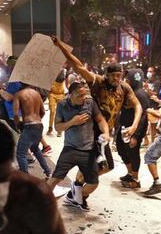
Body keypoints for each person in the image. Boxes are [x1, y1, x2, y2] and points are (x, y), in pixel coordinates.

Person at [51, 36, 142, 196]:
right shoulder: (98, 82)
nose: (117, 78)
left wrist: (134, 126)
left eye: (119, 75)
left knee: (102, 166)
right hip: (93, 132)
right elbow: (78, 66)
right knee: (102, 166)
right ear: (107, 74)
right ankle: (77, 192)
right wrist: (60, 46)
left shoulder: (124, 87)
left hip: (105, 132)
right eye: (114, 75)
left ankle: (77, 187)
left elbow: (138, 105)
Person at [48, 82, 110, 211]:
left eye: (85, 94)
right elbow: (58, 127)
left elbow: (101, 120)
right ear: (70, 95)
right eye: (79, 96)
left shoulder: (89, 103)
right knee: (55, 179)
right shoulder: (62, 105)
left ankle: (76, 197)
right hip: (70, 149)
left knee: (93, 184)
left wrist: (106, 133)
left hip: (89, 150)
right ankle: (41, 202)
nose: (83, 98)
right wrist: (72, 122)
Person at [117, 69, 149, 189]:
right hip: (125, 127)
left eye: (128, 79)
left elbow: (143, 118)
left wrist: (136, 136)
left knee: (133, 153)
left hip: (134, 130)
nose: (126, 81)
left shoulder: (140, 94)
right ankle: (130, 173)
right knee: (121, 149)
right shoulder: (131, 92)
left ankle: (135, 180)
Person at [13, 84, 52, 178]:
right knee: (35, 149)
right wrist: (37, 121)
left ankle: (25, 177)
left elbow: (15, 114)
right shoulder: (37, 94)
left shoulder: (18, 94)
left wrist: (18, 125)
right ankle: (48, 172)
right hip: (39, 125)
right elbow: (42, 112)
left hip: (28, 125)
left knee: (20, 153)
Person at [48, 69, 67, 137]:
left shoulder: (64, 71)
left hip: (61, 94)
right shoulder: (52, 71)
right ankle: (50, 127)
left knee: (60, 112)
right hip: (52, 94)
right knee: (52, 111)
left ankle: (59, 130)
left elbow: (67, 82)